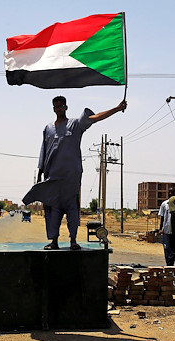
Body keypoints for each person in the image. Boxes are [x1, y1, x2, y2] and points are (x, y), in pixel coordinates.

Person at [23, 96, 127, 250]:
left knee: (72, 208)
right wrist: (39, 177)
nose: (58, 109)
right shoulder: (48, 128)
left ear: (66, 107)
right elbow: (43, 153)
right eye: (56, 106)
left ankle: (73, 240)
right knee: (52, 210)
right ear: (53, 109)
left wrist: (117, 109)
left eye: (61, 106)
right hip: (53, 178)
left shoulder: (75, 124)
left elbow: (95, 118)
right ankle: (54, 241)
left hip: (71, 179)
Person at [157, 187, 175, 265]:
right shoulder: (164, 204)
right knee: (167, 248)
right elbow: (162, 217)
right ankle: (169, 265)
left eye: (172, 192)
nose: (170, 194)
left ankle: (173, 265)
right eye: (169, 192)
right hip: (166, 230)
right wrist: (160, 229)